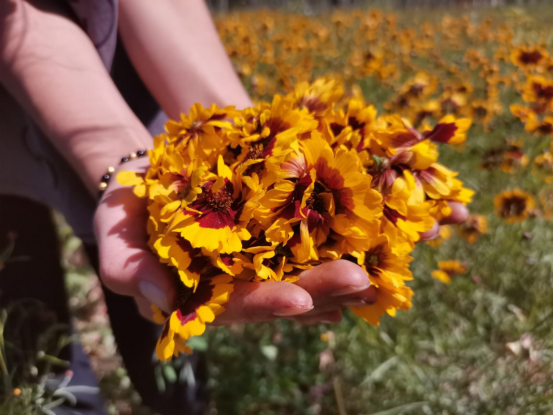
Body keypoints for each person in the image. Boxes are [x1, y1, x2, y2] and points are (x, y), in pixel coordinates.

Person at [0, 0, 468, 413]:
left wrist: (247, 122)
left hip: (133, 71)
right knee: (25, 292)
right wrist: (123, 160)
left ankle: (179, 402)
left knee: (151, 289)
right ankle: (55, 402)